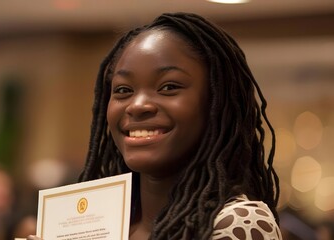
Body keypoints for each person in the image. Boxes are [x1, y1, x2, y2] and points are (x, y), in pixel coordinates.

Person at [29, 12, 282, 239]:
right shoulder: (100, 224)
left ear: (217, 102)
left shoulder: (237, 222)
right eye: (124, 90)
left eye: (169, 87)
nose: (137, 105)